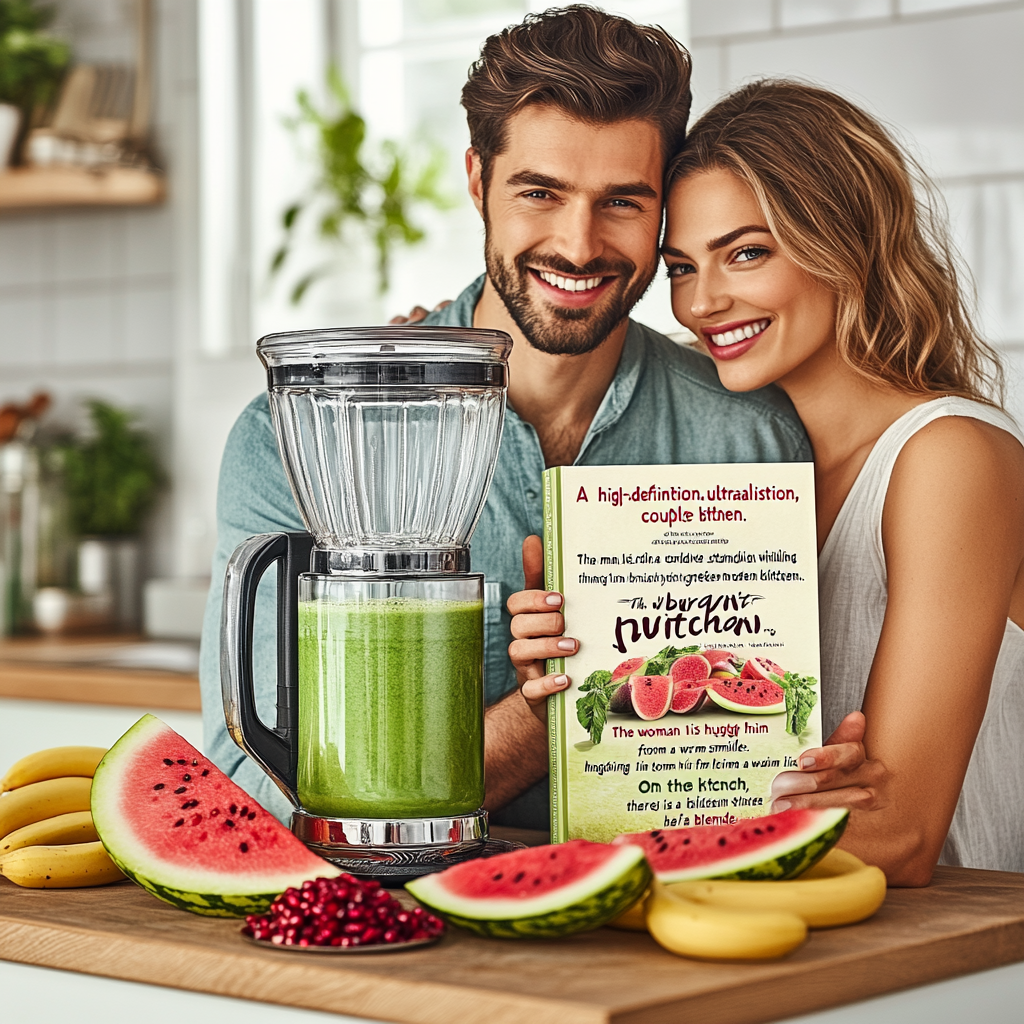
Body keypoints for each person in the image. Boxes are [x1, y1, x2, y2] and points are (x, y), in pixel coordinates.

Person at [198, 8, 811, 830]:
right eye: (540, 193)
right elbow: (258, 788)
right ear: (479, 182)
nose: (578, 243)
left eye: (623, 201)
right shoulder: (298, 439)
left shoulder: (749, 437)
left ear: (664, 209)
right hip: (386, 936)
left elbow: (774, 762)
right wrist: (549, 706)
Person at [512, 79, 1024, 882]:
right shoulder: (743, 475)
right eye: (682, 267)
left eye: (746, 252)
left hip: (949, 958)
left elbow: (902, 836)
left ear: (842, 243)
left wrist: (592, 856)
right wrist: (573, 674)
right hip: (779, 934)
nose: (703, 302)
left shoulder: (948, 455)